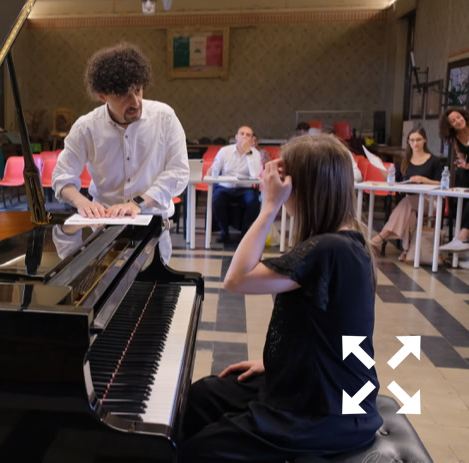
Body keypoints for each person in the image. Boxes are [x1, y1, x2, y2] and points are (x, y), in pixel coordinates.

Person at [181, 135, 381, 463]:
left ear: (304, 187)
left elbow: (236, 279)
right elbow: (330, 330)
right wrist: (279, 361)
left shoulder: (330, 248)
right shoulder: (343, 242)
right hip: (311, 381)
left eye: (285, 178)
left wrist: (269, 207)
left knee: (198, 452)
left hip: (327, 409)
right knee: (200, 397)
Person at [51, 42, 189, 261]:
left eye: (138, 90)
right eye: (123, 95)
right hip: (104, 231)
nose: (135, 102)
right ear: (102, 96)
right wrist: (82, 202)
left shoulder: (165, 118)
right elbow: (61, 177)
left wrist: (137, 203)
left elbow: (178, 173)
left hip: (152, 229)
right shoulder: (86, 127)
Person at [369, 126, 441, 260]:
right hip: (410, 201)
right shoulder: (405, 161)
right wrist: (380, 167)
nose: (415, 143)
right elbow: (393, 180)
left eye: (418, 140)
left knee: (406, 203)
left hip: (430, 201)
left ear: (425, 140)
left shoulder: (434, 161)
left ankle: (382, 236)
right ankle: (407, 252)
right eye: (412, 140)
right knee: (410, 213)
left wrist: (423, 180)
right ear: (408, 141)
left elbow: (441, 183)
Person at [209, 126, 262, 242]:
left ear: (251, 139)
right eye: (242, 134)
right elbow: (215, 170)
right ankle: (224, 232)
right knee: (217, 199)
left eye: (248, 135)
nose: (244, 137)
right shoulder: (225, 151)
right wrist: (213, 170)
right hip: (225, 187)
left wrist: (249, 153)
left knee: (254, 202)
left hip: (244, 188)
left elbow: (255, 175)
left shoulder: (255, 153)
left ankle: (245, 233)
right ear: (236, 137)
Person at [438, 107, 469, 253]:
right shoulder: (455, 138)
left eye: (458, 117)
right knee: (460, 196)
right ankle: (462, 240)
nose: (458, 121)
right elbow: (461, 157)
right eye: (453, 121)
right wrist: (462, 163)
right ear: (450, 126)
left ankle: (461, 238)